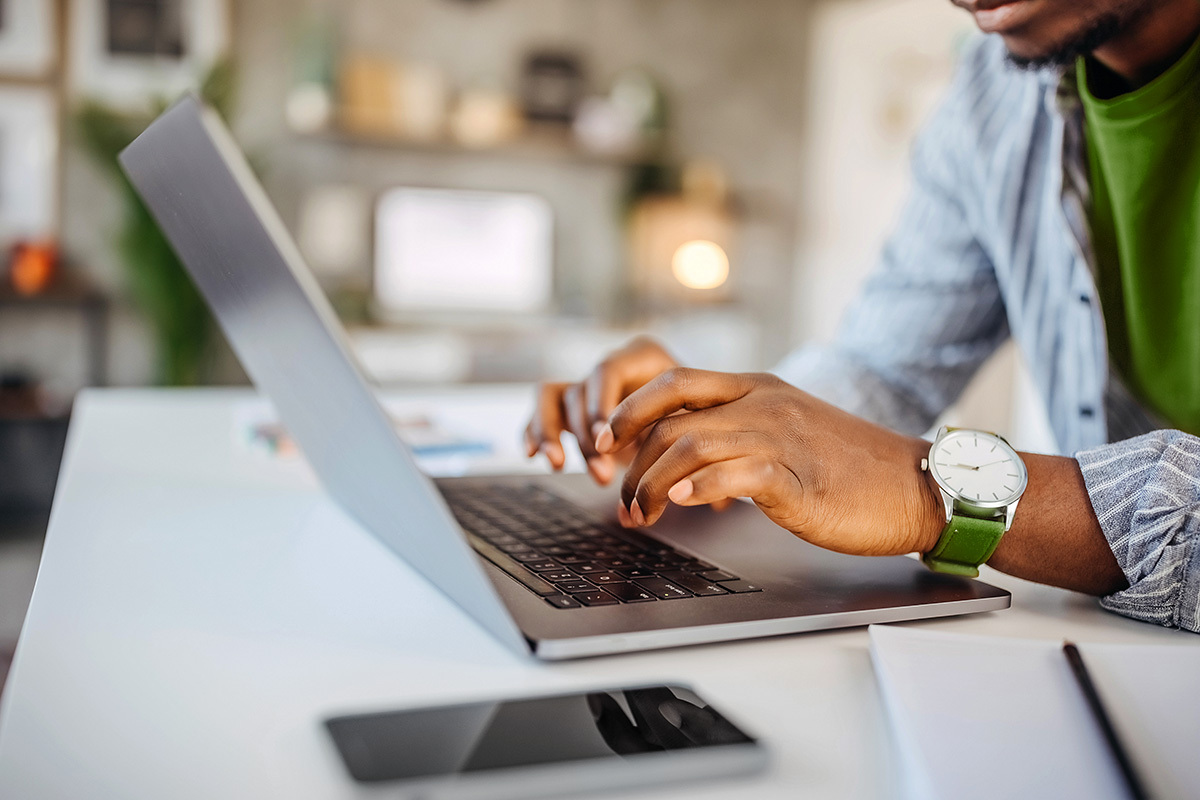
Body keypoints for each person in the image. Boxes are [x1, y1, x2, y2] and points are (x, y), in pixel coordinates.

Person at [525, 0, 1200, 633]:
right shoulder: (989, 96)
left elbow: (903, 462)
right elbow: (888, 368)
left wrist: (933, 493)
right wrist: (719, 427)